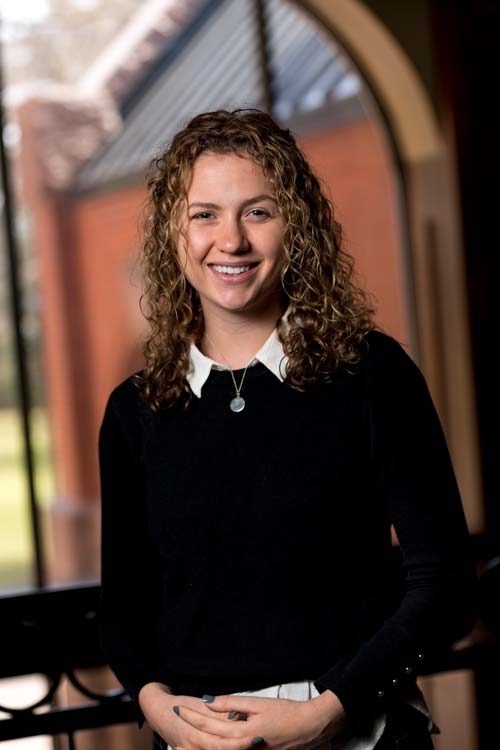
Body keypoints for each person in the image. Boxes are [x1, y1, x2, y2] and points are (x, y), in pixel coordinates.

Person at [99, 109, 476, 750]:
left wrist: (331, 708)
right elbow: (125, 609)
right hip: (197, 741)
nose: (232, 240)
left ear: (295, 225)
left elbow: (444, 587)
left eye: (258, 211)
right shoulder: (133, 411)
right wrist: (157, 706)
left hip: (358, 731)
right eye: (204, 214)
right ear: (173, 234)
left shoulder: (371, 373)